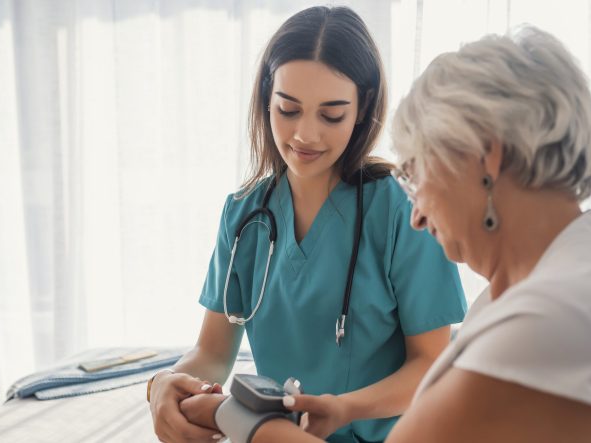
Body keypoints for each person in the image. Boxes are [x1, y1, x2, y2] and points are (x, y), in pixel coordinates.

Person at [176, 25, 591, 443]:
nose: (415, 213)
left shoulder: (550, 322)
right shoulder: (581, 261)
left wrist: (237, 416)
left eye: (419, 172)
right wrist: (339, 409)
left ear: (488, 157)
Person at [147, 6, 467, 443]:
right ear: (267, 99)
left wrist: (343, 409)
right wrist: (164, 384)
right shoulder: (244, 214)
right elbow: (212, 353)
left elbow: (433, 364)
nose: (305, 136)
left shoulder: (402, 207)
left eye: (331, 115)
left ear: (363, 107)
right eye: (288, 109)